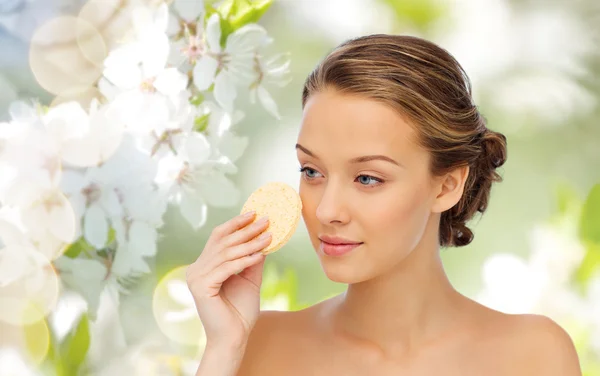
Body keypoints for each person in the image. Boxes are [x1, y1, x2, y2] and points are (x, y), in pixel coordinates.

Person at [186, 34, 582, 375]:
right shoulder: (259, 345)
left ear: (447, 185)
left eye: (367, 178)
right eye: (311, 171)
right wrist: (223, 350)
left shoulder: (534, 355)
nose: (326, 211)